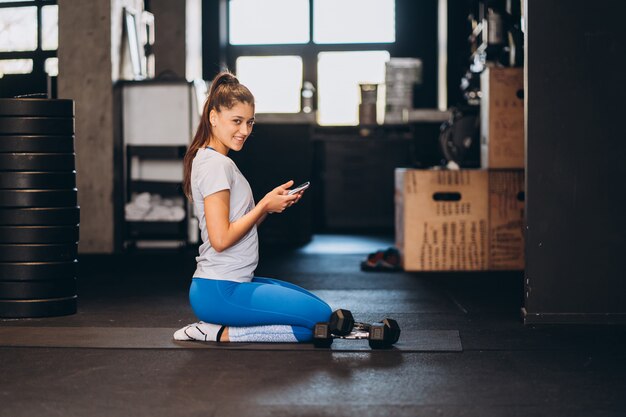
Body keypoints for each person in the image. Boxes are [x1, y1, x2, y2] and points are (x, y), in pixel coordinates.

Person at [174, 71, 332, 343]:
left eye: (249, 122)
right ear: (213, 117)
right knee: (319, 320)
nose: (245, 131)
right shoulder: (216, 165)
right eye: (236, 121)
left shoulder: (213, 160)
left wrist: (268, 206)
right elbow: (221, 239)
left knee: (317, 310)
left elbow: (237, 226)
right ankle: (216, 332)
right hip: (221, 290)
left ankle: (215, 328)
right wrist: (261, 207)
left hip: (230, 284)